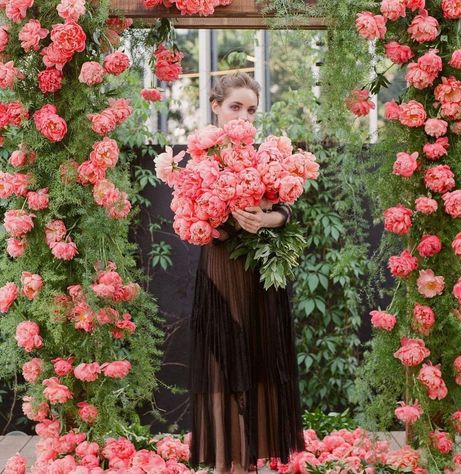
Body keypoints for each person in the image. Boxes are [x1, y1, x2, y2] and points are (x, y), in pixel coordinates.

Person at [188, 72, 305, 474]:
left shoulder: (265, 157)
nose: (244, 116)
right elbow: (192, 219)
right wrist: (220, 216)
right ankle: (225, 459)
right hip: (221, 272)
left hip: (259, 275)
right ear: (216, 106)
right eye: (235, 106)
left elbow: (288, 206)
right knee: (222, 362)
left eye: (251, 109)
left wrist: (267, 218)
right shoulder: (198, 159)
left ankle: (247, 460)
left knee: (256, 358)